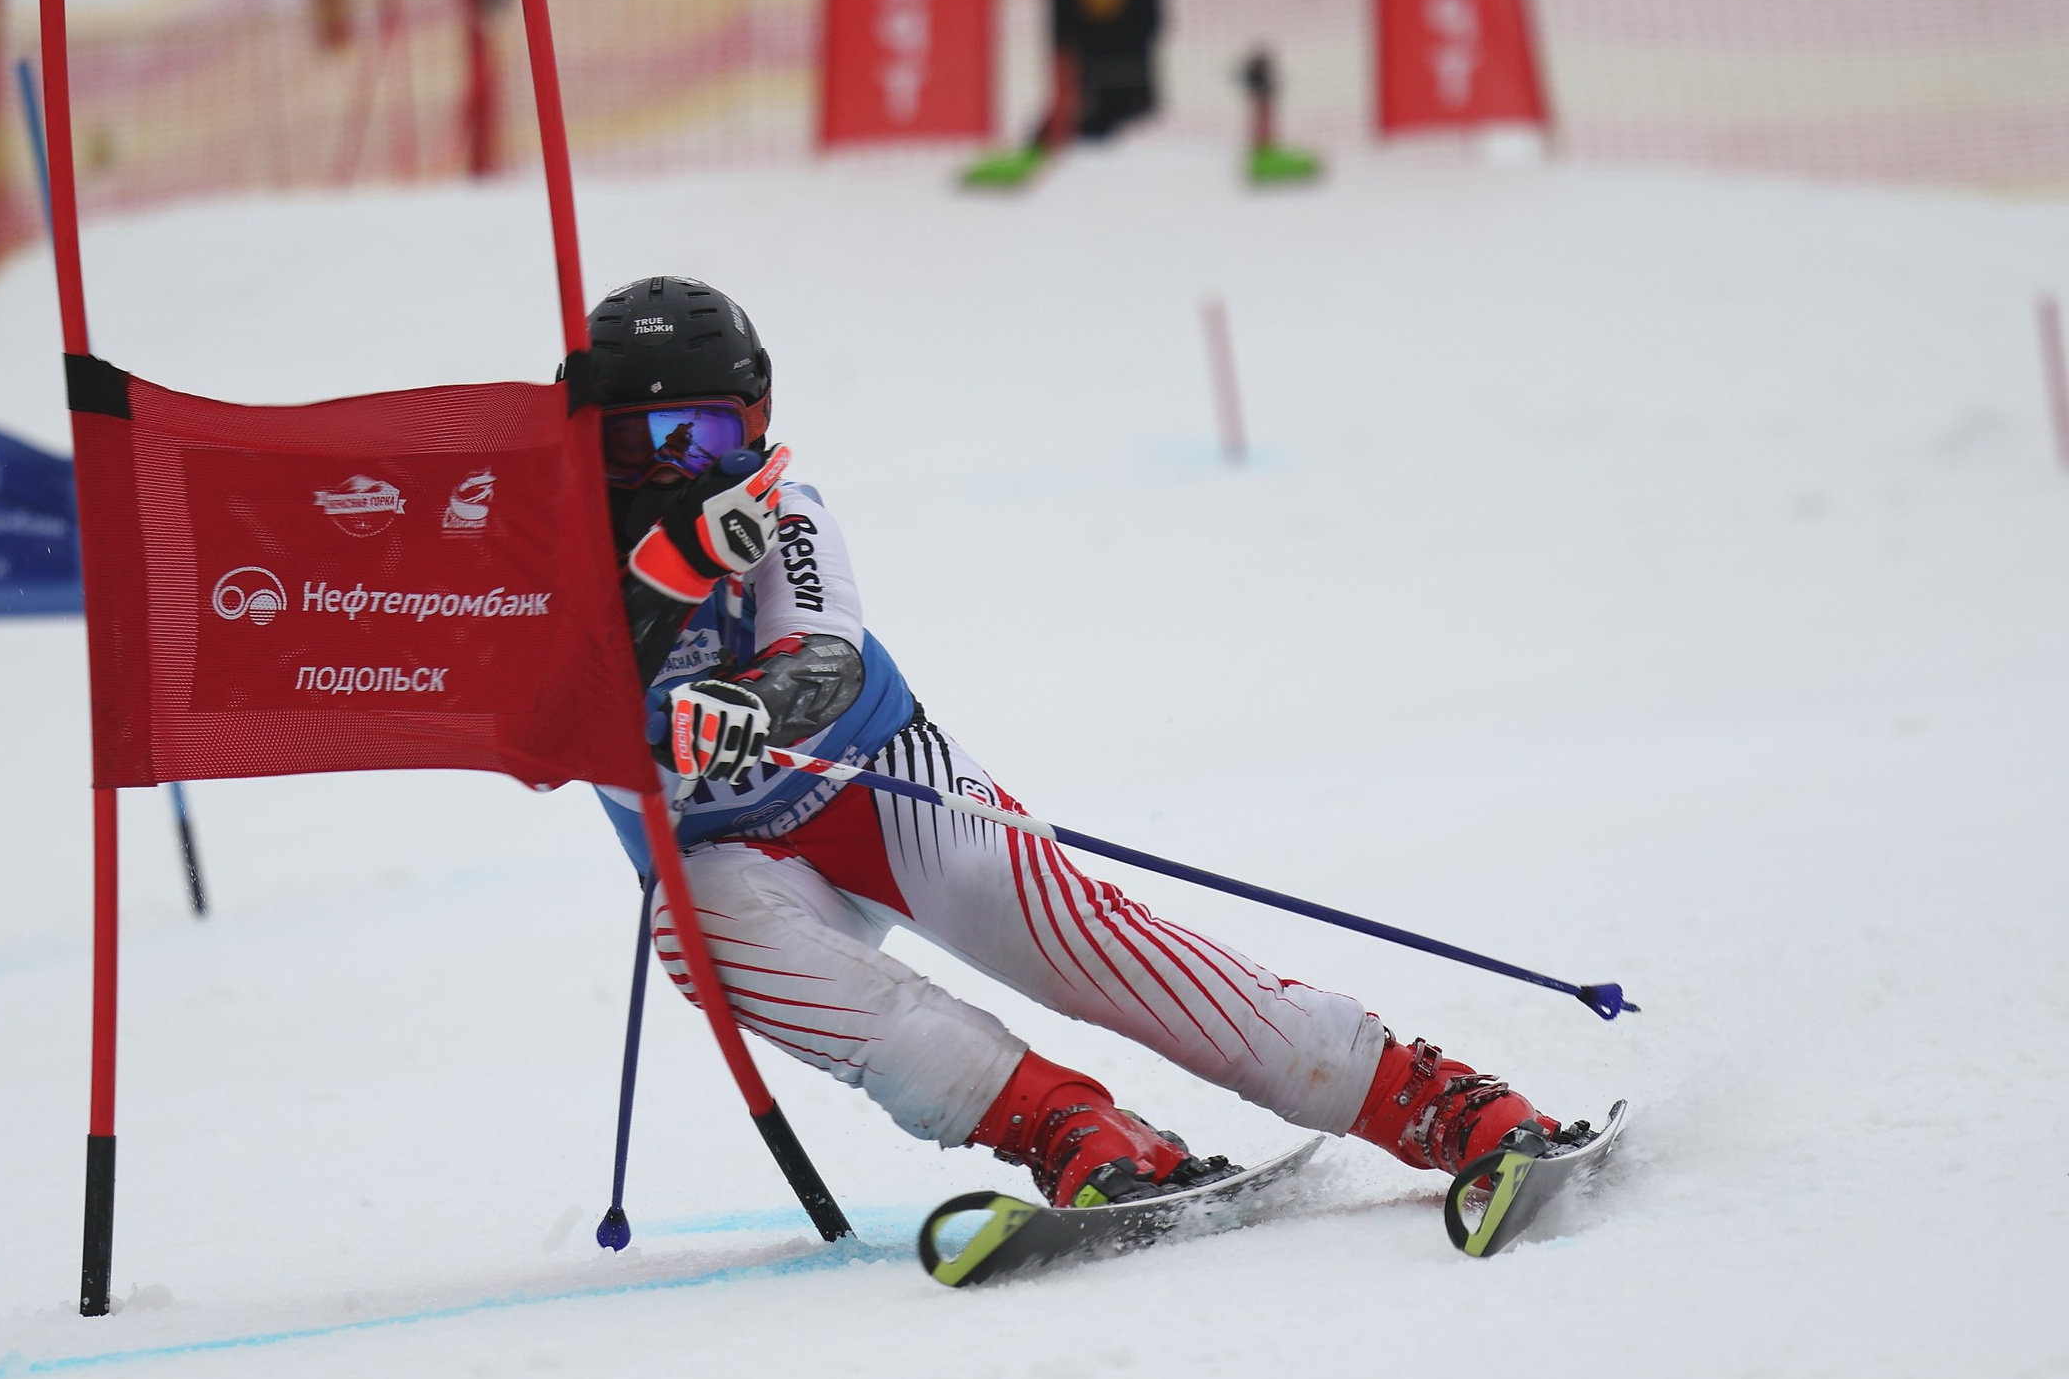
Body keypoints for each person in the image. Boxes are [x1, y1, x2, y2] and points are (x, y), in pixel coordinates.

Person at [583, 275, 1566, 1208]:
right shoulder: (559, 560)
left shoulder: (777, 510)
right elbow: (535, 704)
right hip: (714, 856)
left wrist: (754, 707)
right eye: (636, 444)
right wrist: (648, 590)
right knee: (696, 936)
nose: (672, 467)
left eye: (700, 435)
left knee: (1072, 943)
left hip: (875, 785)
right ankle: (1074, 1134)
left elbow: (824, 657)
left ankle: (1428, 1102)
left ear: (754, 424)